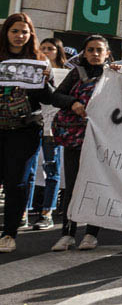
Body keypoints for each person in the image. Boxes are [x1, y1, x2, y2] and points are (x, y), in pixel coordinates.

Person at [49, 35, 111, 251]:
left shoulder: (114, 77)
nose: (95, 54)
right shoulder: (76, 73)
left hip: (101, 140)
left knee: (97, 185)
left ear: (107, 54)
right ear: (84, 53)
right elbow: (56, 97)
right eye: (90, 50)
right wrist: (73, 103)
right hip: (75, 138)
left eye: (99, 50)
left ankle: (91, 234)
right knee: (73, 186)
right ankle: (67, 233)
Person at [0, 13, 53, 253]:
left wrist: (48, 81)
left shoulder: (39, 61)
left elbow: (47, 96)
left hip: (24, 131)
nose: (20, 36)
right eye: (15, 31)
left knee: (16, 183)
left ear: (31, 34)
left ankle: (9, 233)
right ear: (6, 33)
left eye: (25, 31)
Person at [28, 37, 68, 230]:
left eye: (50, 48)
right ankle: (24, 212)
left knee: (51, 169)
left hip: (53, 128)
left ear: (58, 51)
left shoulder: (67, 74)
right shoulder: (31, 70)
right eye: (42, 48)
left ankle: (47, 212)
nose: (46, 51)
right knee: (29, 170)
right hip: (34, 124)